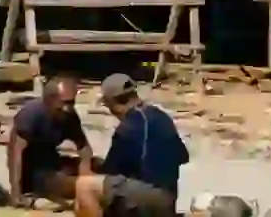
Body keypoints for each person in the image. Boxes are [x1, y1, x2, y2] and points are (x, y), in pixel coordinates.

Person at [73, 74, 189, 217]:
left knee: (84, 186)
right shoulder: (161, 115)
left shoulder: (128, 127)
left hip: (150, 198)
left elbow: (111, 171)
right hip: (169, 198)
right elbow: (183, 156)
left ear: (114, 103)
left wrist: (88, 166)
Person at [8, 76, 94, 205]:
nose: (68, 108)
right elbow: (15, 156)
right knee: (69, 184)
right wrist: (16, 193)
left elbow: (84, 147)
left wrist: (86, 172)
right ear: (48, 100)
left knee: (98, 164)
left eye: (71, 102)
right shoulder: (31, 115)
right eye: (64, 103)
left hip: (53, 163)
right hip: (33, 173)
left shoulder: (69, 116)